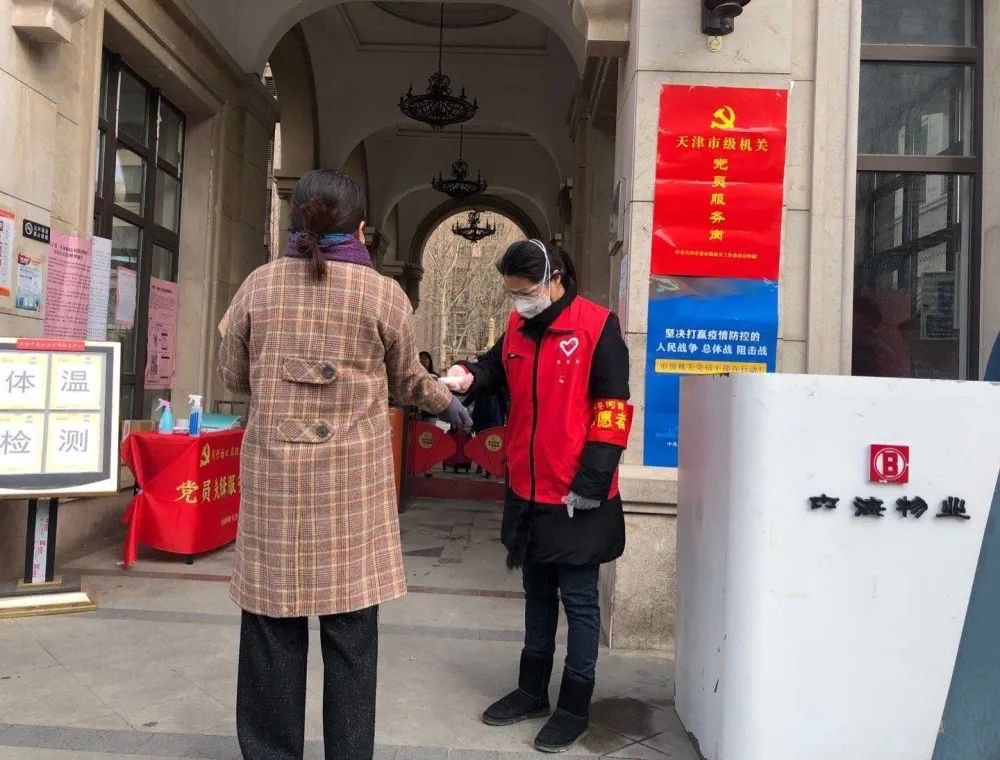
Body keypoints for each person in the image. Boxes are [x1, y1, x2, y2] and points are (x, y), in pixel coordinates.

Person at [217, 169, 471, 760]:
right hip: (353, 485)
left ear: (295, 220)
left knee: (271, 626)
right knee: (352, 632)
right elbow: (409, 381)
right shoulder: (383, 295)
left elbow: (233, 376)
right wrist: (446, 401)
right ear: (360, 229)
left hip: (275, 480)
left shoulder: (256, 286)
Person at [441, 239, 632, 752]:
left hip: (576, 493)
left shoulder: (597, 327)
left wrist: (591, 482)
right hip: (527, 489)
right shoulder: (516, 326)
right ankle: (531, 691)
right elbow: (493, 369)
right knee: (537, 593)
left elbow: (613, 408)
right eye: (512, 293)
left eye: (524, 292)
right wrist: (466, 375)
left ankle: (574, 706)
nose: (519, 301)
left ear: (554, 280)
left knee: (580, 602)